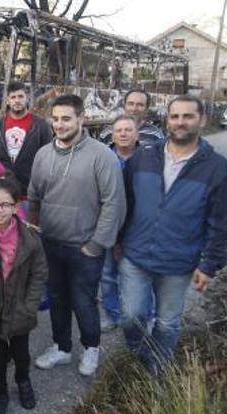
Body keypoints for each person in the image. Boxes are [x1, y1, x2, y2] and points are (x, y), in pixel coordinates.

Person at [118, 95, 227, 374]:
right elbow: (125, 203)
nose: (180, 122)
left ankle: (156, 369)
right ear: (167, 120)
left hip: (178, 262)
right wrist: (118, 241)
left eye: (188, 116)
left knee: (167, 322)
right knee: (131, 316)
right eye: (175, 116)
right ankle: (139, 350)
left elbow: (221, 223)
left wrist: (209, 264)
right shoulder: (143, 157)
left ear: (201, 120)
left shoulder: (217, 168)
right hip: (136, 255)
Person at [28, 94, 126, 377]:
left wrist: (97, 245)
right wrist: (36, 233)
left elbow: (113, 203)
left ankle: (91, 348)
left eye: (66, 118)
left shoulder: (101, 155)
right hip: (51, 243)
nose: (60, 124)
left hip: (85, 247)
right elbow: (34, 198)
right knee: (57, 298)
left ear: (81, 119)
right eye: (55, 119)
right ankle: (61, 348)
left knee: (83, 300)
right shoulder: (43, 155)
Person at [0, 174, 47, 414]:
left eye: (6, 205)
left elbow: (39, 272)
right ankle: (0, 393)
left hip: (21, 307)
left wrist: (30, 306)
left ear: (15, 206)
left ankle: (23, 380)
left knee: (21, 353)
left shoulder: (30, 239)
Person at [100, 114, 141, 332]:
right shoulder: (104, 158)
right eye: (118, 130)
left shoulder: (148, 159)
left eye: (128, 130)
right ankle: (111, 313)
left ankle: (137, 315)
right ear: (113, 135)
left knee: (135, 274)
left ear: (137, 133)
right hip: (109, 227)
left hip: (138, 229)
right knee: (107, 275)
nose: (123, 134)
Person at [0, 81, 53, 189]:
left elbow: (49, 157)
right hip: (2, 188)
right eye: (13, 97)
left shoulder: (41, 126)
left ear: (27, 98)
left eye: (20, 96)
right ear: (8, 101)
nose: (17, 100)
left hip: (30, 189)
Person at [98, 89, 164, 146]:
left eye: (140, 105)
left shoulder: (155, 134)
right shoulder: (108, 133)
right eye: (130, 104)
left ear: (146, 109)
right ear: (124, 106)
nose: (134, 109)